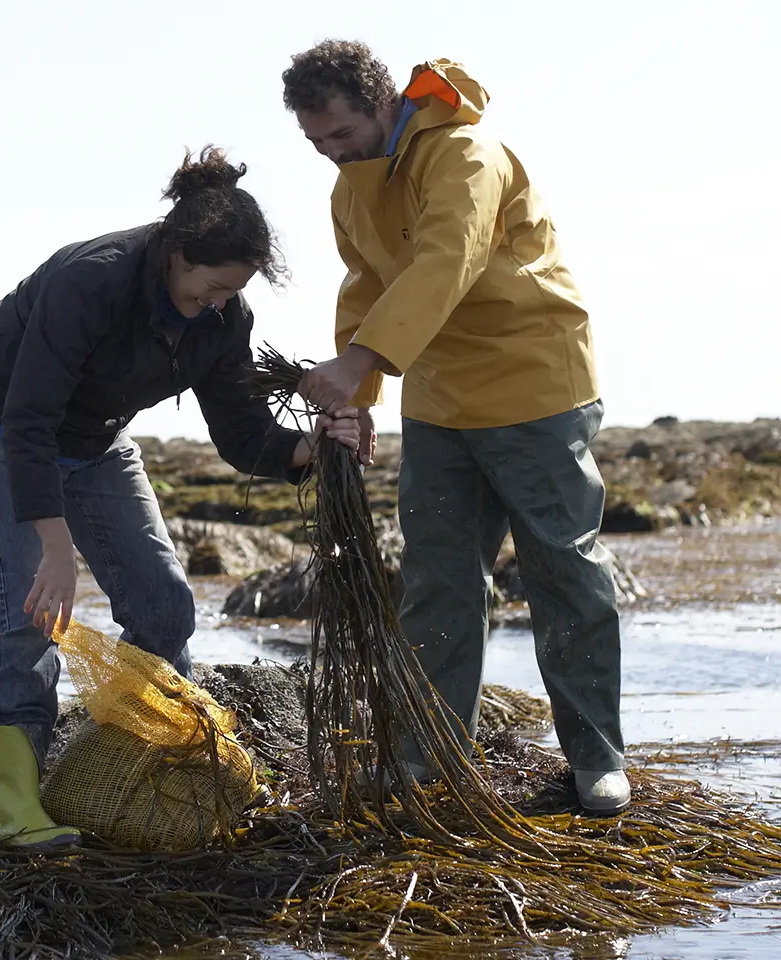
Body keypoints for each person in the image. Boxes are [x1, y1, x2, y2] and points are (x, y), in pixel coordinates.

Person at [0, 146, 370, 846]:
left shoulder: (223, 321)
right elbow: (31, 420)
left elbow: (240, 434)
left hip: (98, 439)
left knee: (164, 603)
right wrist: (55, 549)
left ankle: (143, 773)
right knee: (25, 620)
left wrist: (316, 449)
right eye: (209, 287)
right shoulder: (92, 282)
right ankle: (20, 809)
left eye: (231, 293)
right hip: (3, 429)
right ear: (174, 252)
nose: (218, 304)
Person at [279, 41, 630, 815]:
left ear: (381, 102)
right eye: (316, 144)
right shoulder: (350, 192)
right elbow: (365, 285)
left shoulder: (466, 153)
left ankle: (597, 760)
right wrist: (357, 394)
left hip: (535, 387)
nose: (332, 154)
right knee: (438, 583)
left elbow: (448, 258)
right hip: (438, 405)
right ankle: (432, 754)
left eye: (340, 135)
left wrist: (364, 358)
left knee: (562, 575)